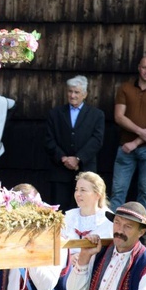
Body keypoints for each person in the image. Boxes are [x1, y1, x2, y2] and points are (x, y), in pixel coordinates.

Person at [110, 56, 146, 213]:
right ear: (138, 68)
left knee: (145, 191)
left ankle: (139, 232)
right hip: (125, 147)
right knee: (118, 190)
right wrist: (140, 131)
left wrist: (135, 142)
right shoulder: (125, 88)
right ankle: (111, 231)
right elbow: (119, 117)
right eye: (144, 67)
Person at [44, 75, 105, 211]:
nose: (72, 95)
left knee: (85, 209)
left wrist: (78, 158)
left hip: (85, 169)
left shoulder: (96, 115)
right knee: (59, 211)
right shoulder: (55, 113)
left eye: (76, 92)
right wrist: (63, 158)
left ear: (85, 94)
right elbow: (49, 139)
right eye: (70, 91)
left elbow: (97, 140)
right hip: (59, 170)